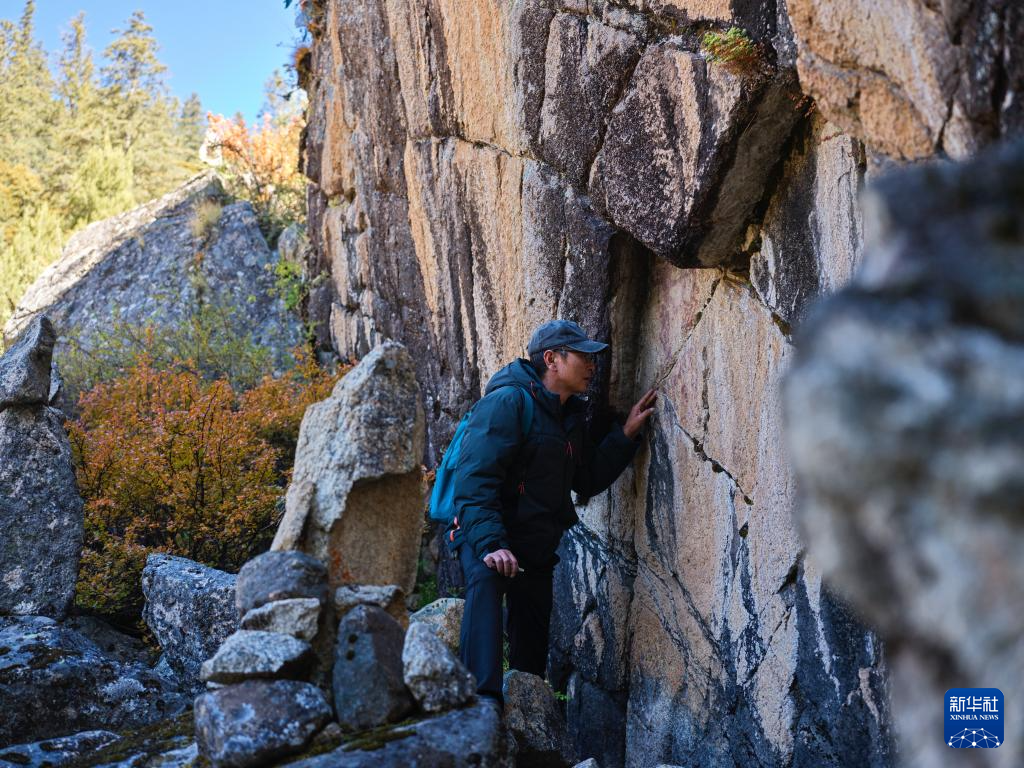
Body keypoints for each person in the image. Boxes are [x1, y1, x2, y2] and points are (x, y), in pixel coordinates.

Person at [447, 319, 657, 708]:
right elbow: (475, 481)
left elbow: (586, 479)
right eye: (583, 357)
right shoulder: (507, 403)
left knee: (530, 653)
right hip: (488, 533)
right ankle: (479, 706)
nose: (592, 365)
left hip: (535, 548)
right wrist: (492, 544)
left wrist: (624, 435)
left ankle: (526, 717)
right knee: (487, 582)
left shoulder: (568, 416)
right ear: (551, 360)